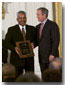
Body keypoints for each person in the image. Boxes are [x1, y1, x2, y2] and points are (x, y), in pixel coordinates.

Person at [5, 11, 35, 76]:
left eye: (24, 18)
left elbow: (37, 40)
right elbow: (6, 43)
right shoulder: (11, 30)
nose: (22, 20)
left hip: (29, 60)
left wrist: (34, 44)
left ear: (26, 18)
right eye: (20, 18)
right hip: (16, 60)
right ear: (17, 19)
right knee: (17, 80)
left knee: (30, 79)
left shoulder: (32, 29)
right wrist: (14, 48)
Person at [34, 7, 60, 75]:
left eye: (38, 14)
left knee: (53, 76)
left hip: (51, 57)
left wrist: (52, 54)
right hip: (42, 57)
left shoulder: (52, 25)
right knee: (44, 76)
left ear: (44, 15)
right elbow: (37, 41)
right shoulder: (37, 27)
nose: (37, 16)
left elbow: (56, 41)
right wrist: (31, 46)